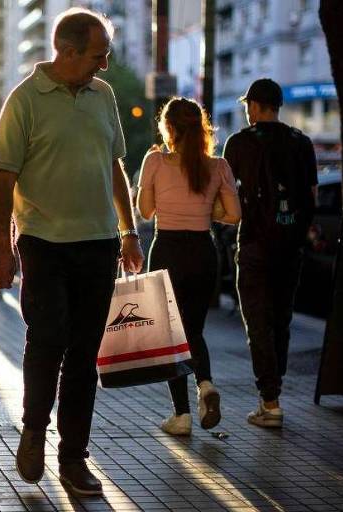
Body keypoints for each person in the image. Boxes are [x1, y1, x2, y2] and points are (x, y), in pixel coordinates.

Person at [0, 8, 144, 497]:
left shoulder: (104, 95)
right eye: (99, 54)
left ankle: (74, 458)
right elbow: (2, 178)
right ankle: (35, 428)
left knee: (84, 355)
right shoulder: (25, 100)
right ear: (68, 51)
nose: (105, 63)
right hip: (42, 242)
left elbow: (114, 165)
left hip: (98, 244)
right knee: (48, 337)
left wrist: (129, 230)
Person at [136, 97, 241, 436]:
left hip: (167, 249)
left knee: (172, 337)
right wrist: (206, 212)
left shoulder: (155, 160)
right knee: (193, 331)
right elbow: (234, 215)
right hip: (203, 251)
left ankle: (181, 415)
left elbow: (146, 211)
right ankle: (206, 384)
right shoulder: (218, 166)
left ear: (169, 128)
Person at [223, 78, 317, 428]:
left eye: (249, 105)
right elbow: (311, 194)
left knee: (258, 324)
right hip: (291, 247)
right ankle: (272, 394)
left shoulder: (239, 143)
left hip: (254, 245)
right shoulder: (301, 143)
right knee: (281, 321)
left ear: (257, 106)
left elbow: (226, 192)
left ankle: (270, 401)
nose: (247, 111)